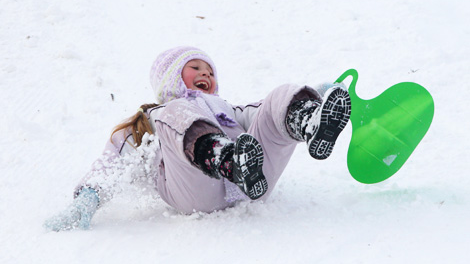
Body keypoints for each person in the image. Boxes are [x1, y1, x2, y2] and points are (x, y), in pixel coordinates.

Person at [44, 45, 351, 231]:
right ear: (172, 76)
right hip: (196, 192)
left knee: (276, 96)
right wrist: (88, 199)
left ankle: (309, 121)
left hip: (254, 184)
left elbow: (262, 114)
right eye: (195, 67)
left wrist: (312, 96)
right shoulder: (154, 118)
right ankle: (225, 158)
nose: (206, 74)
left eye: (210, 71)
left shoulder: (227, 108)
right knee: (175, 113)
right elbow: (110, 162)